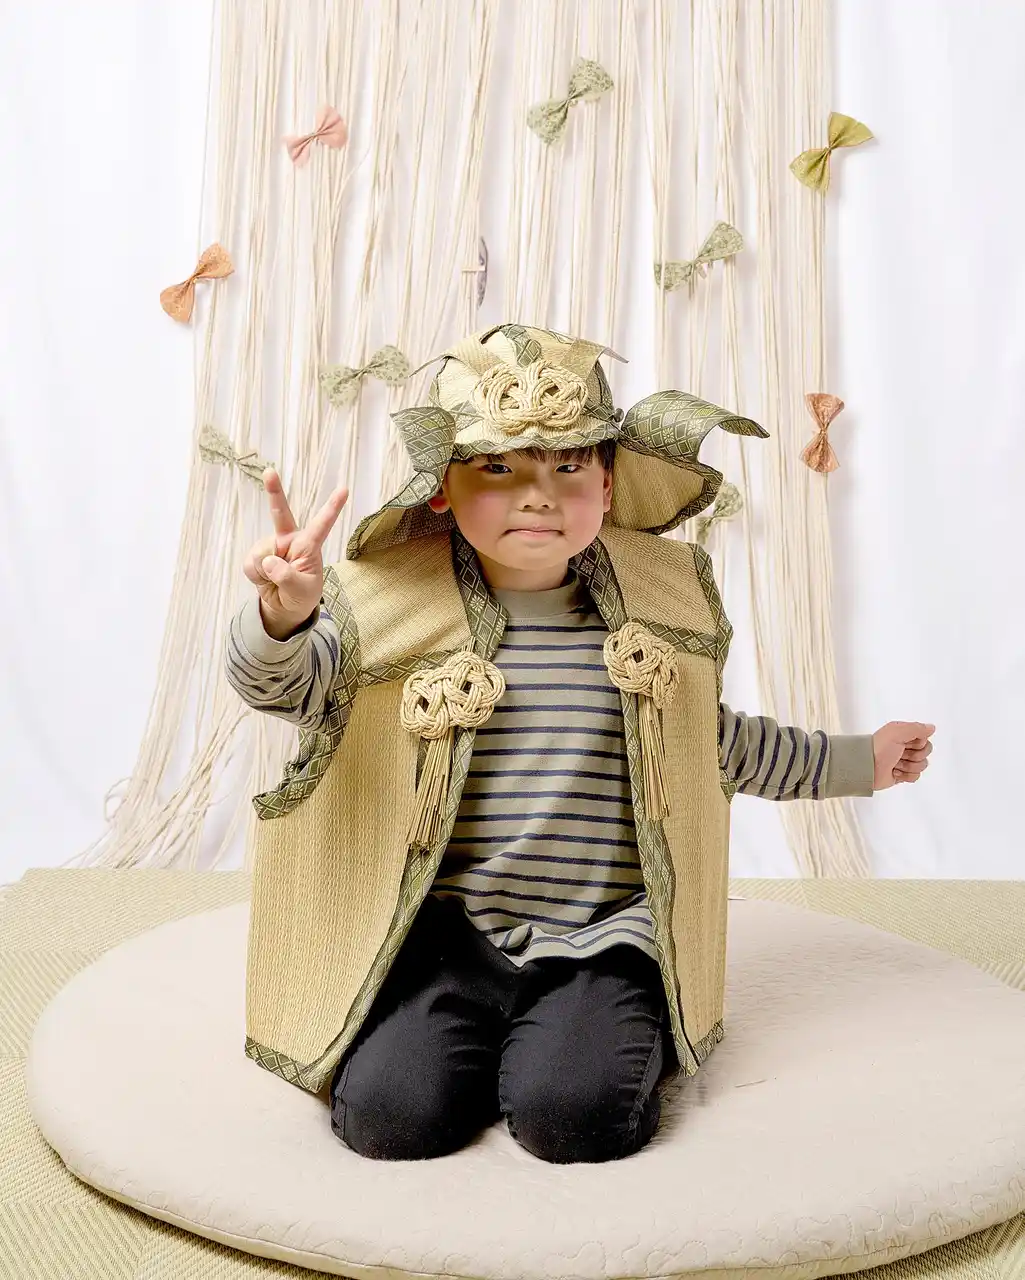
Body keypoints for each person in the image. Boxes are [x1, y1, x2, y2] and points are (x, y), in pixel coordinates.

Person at [224, 322, 935, 1164]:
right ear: (442, 490)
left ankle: (583, 1036)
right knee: (390, 1119)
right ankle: (474, 1041)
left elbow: (715, 745)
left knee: (573, 1118)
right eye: (499, 468)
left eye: (568, 467)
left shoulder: (652, 613)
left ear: (606, 482)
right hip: (444, 937)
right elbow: (284, 686)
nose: (539, 496)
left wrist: (858, 760)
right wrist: (283, 616)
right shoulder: (385, 607)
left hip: (601, 938)